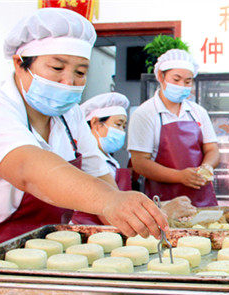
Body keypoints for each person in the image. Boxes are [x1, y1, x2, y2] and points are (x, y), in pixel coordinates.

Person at [0, 8, 167, 248]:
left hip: (49, 248)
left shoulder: (69, 116)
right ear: (20, 63)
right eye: (57, 68)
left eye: (80, 72)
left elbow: (99, 176)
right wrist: (108, 200)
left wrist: (136, 214)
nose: (68, 82)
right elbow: (26, 168)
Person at [72, 92, 197, 225]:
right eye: (118, 124)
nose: (121, 131)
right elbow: (114, 212)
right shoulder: (89, 161)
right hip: (93, 230)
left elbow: (122, 201)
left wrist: (161, 204)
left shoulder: (110, 161)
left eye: (124, 126)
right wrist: (162, 210)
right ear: (96, 123)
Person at [128, 49, 220, 207]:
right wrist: (180, 176)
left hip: (202, 200)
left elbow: (212, 149)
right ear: (160, 77)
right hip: (165, 203)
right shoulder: (145, 113)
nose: (182, 86)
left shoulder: (198, 112)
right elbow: (140, 162)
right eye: (176, 79)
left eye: (187, 82)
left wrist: (206, 167)